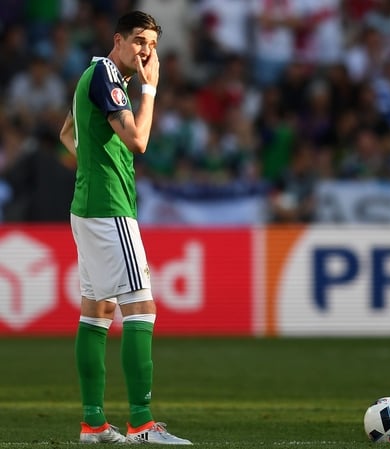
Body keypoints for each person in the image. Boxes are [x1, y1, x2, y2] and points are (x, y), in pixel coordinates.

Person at [59, 11, 192, 445]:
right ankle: (141, 423)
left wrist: (94, 165)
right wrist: (151, 89)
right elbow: (139, 142)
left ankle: (93, 424)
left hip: (87, 207)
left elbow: (67, 132)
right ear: (118, 40)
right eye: (138, 41)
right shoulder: (108, 77)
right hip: (109, 209)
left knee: (97, 311)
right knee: (141, 307)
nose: (145, 51)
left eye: (151, 44)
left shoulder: (95, 75)